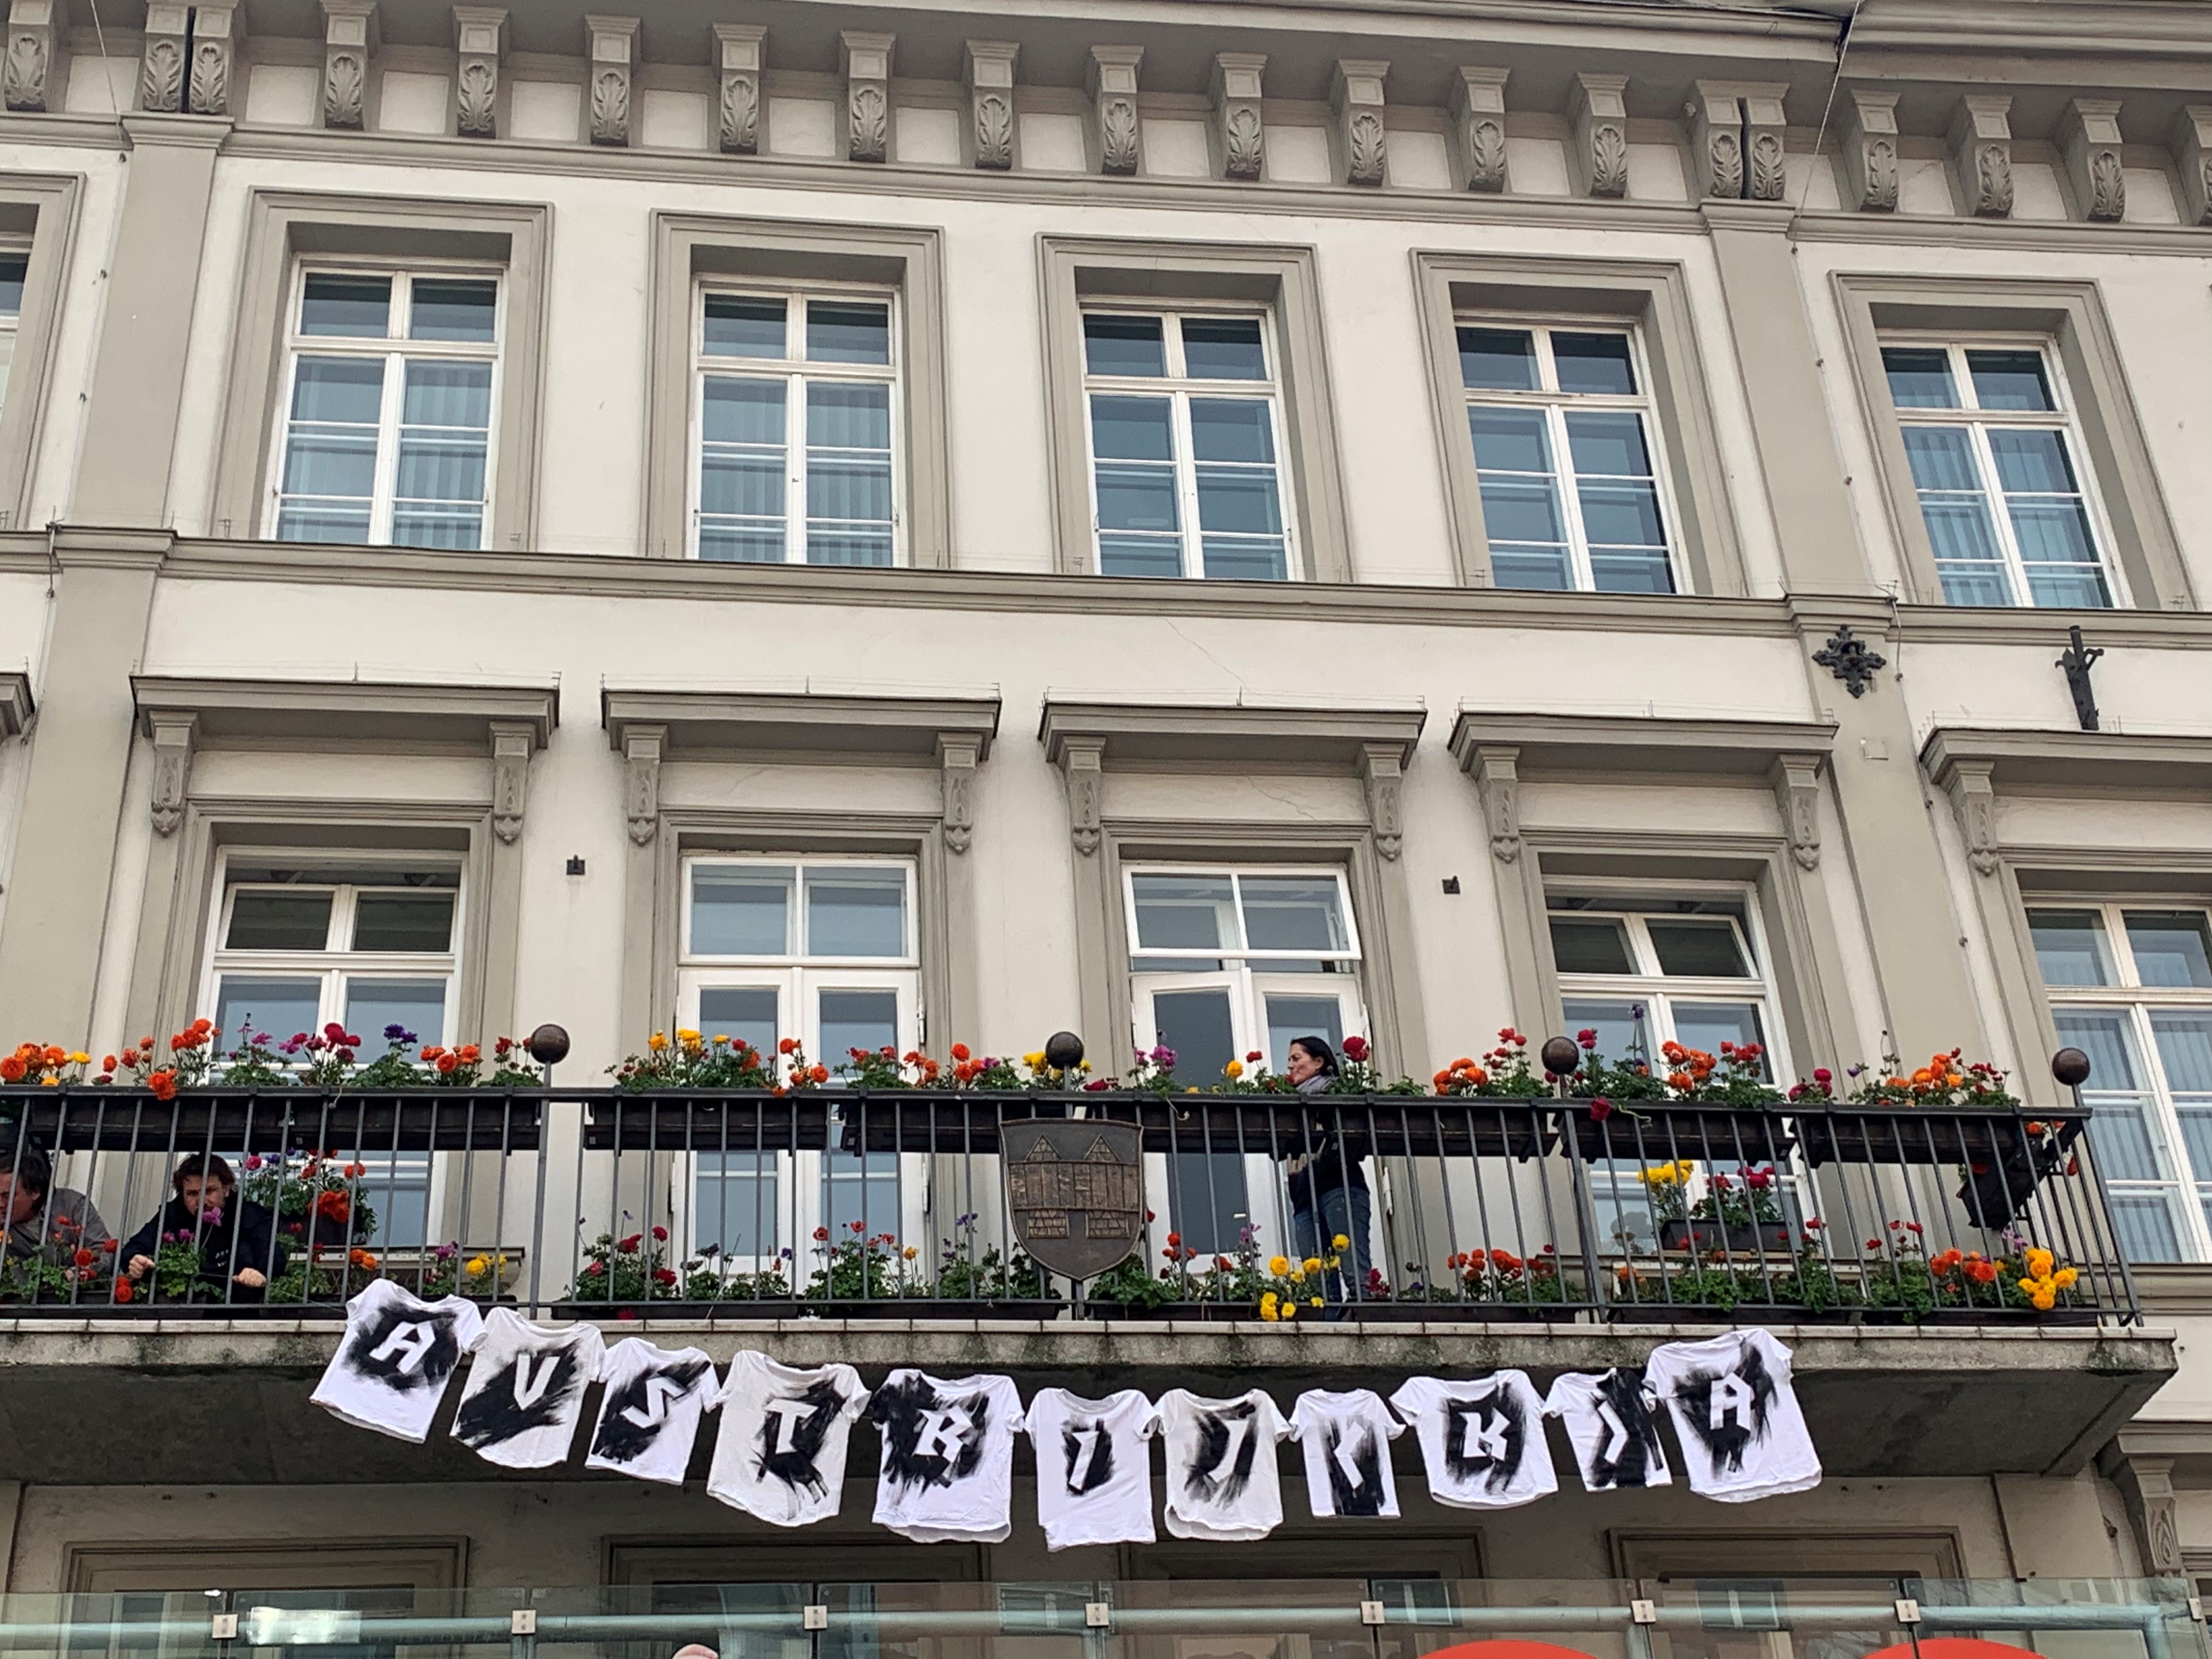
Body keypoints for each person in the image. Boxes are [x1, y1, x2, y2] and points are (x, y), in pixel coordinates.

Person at [123, 1154, 289, 1302]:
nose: (202, 1201)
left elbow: (272, 1255)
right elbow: (134, 1248)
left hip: (238, 1306)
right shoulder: (173, 1213)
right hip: (184, 1306)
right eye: (193, 1194)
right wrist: (135, 1261)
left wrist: (259, 1274)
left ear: (226, 1189)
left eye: (209, 1191)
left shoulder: (249, 1214)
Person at [1281, 1035, 1372, 1298]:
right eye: (1289, 1060)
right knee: (1319, 1288)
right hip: (1303, 1198)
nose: (1290, 1066)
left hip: (1339, 1187)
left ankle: (1367, 1328)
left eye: (1296, 1059)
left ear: (1319, 1062)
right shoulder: (1288, 1106)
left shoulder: (1335, 1093)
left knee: (1355, 1273)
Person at [0, 1143, 112, 1260]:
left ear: (35, 1192)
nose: (1, 1204)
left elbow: (103, 1251)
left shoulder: (72, 1205)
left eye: (8, 1196)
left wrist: (76, 1273)